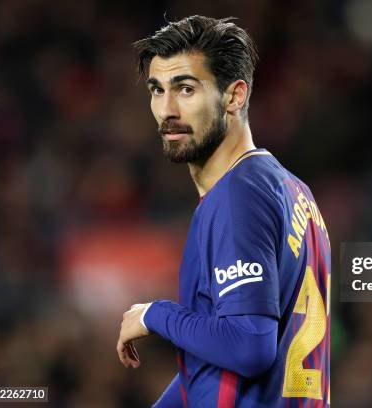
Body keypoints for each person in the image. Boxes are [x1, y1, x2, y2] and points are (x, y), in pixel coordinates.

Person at [116, 15, 331, 407]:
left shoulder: (237, 198)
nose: (166, 110)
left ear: (234, 96)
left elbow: (249, 346)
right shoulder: (291, 188)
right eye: (156, 89)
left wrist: (155, 315)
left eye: (185, 89)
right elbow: (214, 369)